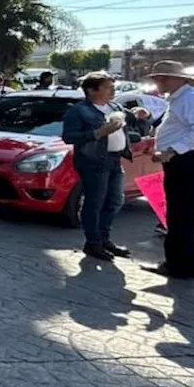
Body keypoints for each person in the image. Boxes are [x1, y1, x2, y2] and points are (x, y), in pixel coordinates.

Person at [61, 72, 152, 262]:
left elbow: (129, 119)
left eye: (113, 87)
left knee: (115, 200)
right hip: (93, 161)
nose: (113, 90)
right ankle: (93, 242)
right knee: (95, 202)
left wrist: (140, 114)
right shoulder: (78, 111)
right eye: (108, 87)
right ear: (91, 90)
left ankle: (104, 238)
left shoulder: (114, 106)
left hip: (115, 160)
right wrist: (99, 132)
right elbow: (69, 137)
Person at [146, 61, 194, 279]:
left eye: (165, 77)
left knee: (183, 214)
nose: (160, 81)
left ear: (181, 78)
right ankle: (184, 263)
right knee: (186, 213)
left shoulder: (191, 98)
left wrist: (173, 151)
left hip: (191, 160)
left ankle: (182, 265)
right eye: (158, 78)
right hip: (187, 160)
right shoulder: (182, 97)